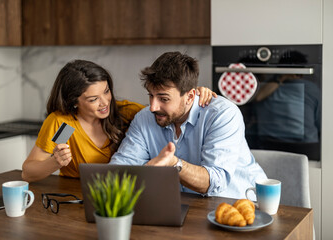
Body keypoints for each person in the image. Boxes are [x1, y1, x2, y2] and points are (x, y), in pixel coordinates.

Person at [22, 59, 216, 182]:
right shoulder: (64, 124)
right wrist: (55, 162)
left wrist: (193, 97)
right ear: (74, 102)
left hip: (118, 194)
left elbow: (167, 112)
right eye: (93, 99)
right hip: (76, 194)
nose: (105, 102)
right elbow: (28, 173)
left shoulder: (125, 111)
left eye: (106, 92)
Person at [110, 52, 267, 198]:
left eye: (163, 99)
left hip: (240, 205)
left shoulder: (222, 114)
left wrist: (173, 164)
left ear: (190, 96)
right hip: (187, 207)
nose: (153, 107)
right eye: (151, 96)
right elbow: (120, 168)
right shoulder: (144, 118)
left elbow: (215, 181)